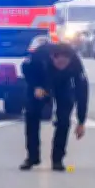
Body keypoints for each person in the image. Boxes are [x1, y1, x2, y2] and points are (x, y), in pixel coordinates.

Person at [20, 42, 89, 171]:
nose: (62, 66)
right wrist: (36, 86)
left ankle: (58, 159)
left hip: (63, 85)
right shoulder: (39, 56)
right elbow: (25, 69)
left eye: (65, 64)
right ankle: (32, 156)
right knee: (32, 114)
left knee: (64, 120)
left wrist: (81, 121)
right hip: (40, 80)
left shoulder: (75, 62)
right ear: (53, 57)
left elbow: (82, 92)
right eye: (59, 63)